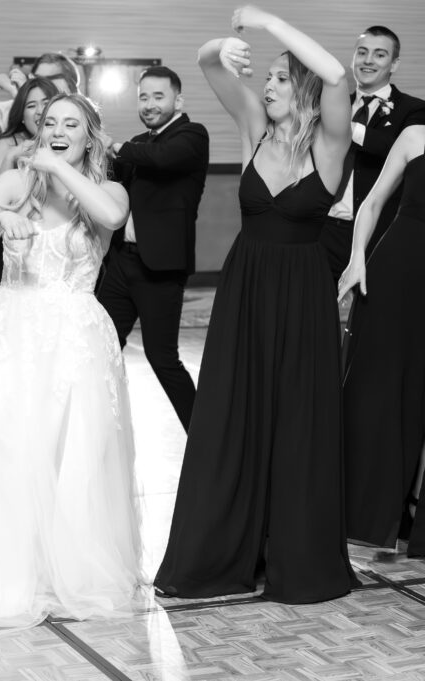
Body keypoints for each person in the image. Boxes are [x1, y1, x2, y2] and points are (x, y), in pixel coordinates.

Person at [0, 93, 141, 632]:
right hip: (11, 329)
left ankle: (64, 572)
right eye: (50, 122)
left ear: (90, 136)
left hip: (76, 339)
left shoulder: (107, 190)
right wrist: (3, 214)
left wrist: (58, 166)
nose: (57, 129)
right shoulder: (15, 181)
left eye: (71, 124)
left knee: (70, 454)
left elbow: (112, 216)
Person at [154, 7, 359, 604]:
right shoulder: (253, 128)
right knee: (231, 418)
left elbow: (339, 77)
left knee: (296, 424)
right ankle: (218, 555)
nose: (264, 86)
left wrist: (268, 21)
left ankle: (292, 556)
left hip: (302, 301)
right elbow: (206, 62)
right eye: (263, 77)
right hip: (245, 295)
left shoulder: (329, 141)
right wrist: (227, 42)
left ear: (300, 89)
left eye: (276, 78)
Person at [98, 65, 208, 431]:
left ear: (178, 99)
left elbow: (161, 159)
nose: (149, 104)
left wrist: (113, 145)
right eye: (143, 96)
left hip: (160, 268)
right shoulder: (138, 144)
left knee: (162, 358)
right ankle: (97, 428)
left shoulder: (192, 136)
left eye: (158, 96)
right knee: (101, 349)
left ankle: (201, 434)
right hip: (122, 264)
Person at [339, 123, 425, 554]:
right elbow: (371, 204)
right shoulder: (414, 136)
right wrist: (357, 261)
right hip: (399, 271)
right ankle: (367, 515)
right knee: (379, 388)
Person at [320, 26, 425, 282]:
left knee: (371, 314)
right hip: (326, 229)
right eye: (362, 52)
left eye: (379, 54)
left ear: (394, 64)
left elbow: (394, 148)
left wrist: (347, 125)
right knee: (316, 312)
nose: (368, 60)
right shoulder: (331, 104)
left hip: (380, 230)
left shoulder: (414, 110)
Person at [0, 77, 61, 318]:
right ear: (21, 113)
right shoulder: (9, 142)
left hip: (53, 242)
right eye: (31, 106)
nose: (39, 111)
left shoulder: (65, 143)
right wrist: (11, 156)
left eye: (46, 103)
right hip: (9, 241)